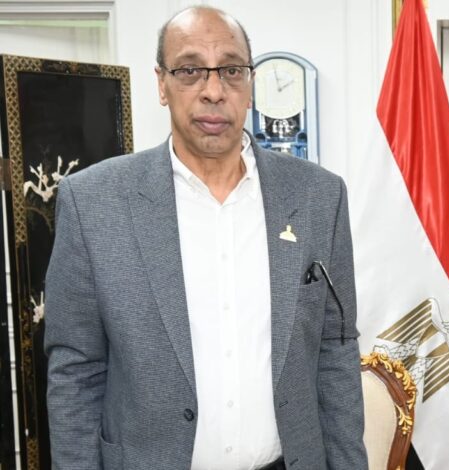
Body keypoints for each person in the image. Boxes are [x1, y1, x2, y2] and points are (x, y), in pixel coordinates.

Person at [44, 6, 368, 470]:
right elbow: (75, 373)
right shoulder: (94, 203)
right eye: (190, 70)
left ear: (250, 83)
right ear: (161, 84)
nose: (214, 91)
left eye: (231, 70)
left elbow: (336, 353)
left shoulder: (319, 197)